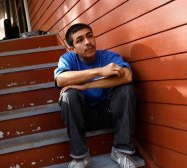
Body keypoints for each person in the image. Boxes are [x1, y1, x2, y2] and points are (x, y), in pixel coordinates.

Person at [54, 23, 137, 168]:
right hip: (82, 117)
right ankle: (80, 157)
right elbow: (60, 79)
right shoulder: (68, 59)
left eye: (89, 36)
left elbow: (128, 76)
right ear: (72, 49)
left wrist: (86, 85)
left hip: (108, 113)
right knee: (68, 96)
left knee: (126, 89)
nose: (88, 42)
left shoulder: (108, 56)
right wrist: (100, 71)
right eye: (80, 40)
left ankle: (121, 151)